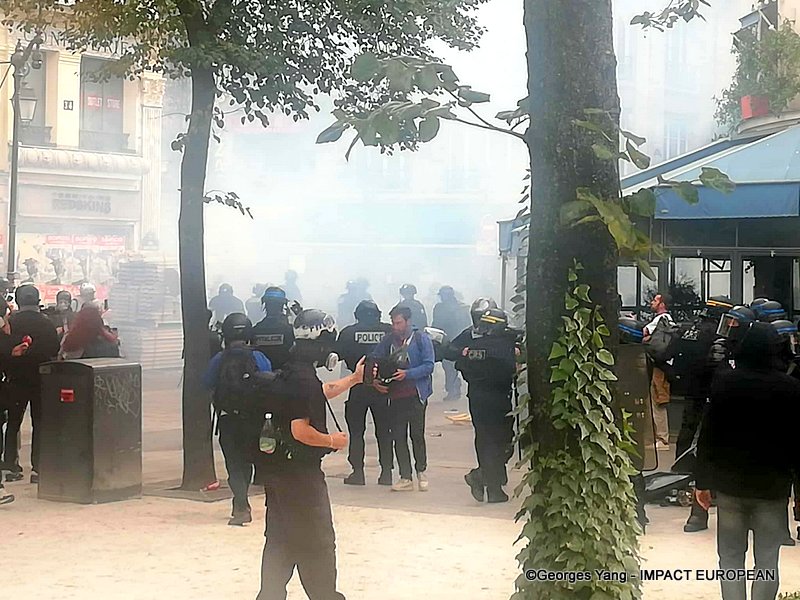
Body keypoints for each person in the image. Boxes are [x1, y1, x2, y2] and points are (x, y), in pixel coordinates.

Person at [250, 308, 363, 600]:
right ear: (323, 343)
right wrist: (332, 441)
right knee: (318, 541)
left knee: (280, 541)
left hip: (278, 475)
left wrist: (353, 379)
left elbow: (317, 393)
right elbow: (300, 430)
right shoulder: (303, 380)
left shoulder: (290, 373)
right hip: (301, 477)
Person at [695, 322, 800, 600]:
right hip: (772, 490)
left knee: (730, 559)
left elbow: (708, 434)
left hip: (730, 488)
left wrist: (702, 482)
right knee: (767, 561)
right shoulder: (791, 389)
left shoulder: (724, 383)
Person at [667, 295, 734, 533]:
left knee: (687, 439)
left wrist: (677, 378)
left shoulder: (688, 331)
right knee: (712, 448)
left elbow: (668, 355)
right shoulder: (719, 337)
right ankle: (710, 495)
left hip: (690, 395)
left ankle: (680, 483)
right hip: (716, 398)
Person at [203, 313, 271, 526]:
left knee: (233, 463)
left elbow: (206, 383)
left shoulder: (219, 359)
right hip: (254, 419)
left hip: (228, 420)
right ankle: (241, 501)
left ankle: (241, 504)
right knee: (248, 461)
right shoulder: (259, 358)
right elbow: (269, 382)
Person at [447, 306, 517, 503]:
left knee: (486, 440)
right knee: (503, 442)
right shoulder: (504, 347)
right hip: (498, 399)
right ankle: (486, 480)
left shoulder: (473, 347)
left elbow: (459, 364)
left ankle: (486, 481)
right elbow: (512, 366)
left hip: (477, 397)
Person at [371, 304, 435, 492]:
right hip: (396, 396)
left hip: (416, 395)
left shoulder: (421, 339)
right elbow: (374, 358)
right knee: (398, 436)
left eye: (398, 322)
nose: (395, 326)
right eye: (393, 322)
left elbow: (429, 366)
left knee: (417, 435)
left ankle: (421, 471)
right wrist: (374, 380)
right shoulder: (388, 340)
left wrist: (407, 374)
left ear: (408, 321)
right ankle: (405, 476)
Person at [4, 285, 60, 483]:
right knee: (40, 423)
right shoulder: (47, 323)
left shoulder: (11, 323)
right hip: (41, 379)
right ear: (37, 301)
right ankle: (38, 468)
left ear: (18, 301)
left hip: (16, 379)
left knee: (13, 423)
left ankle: (11, 466)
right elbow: (55, 348)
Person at [337, 300, 393, 486]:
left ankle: (358, 473)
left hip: (358, 386)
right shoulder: (388, 331)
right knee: (384, 432)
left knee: (356, 432)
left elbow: (337, 354)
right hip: (383, 388)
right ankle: (386, 473)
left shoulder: (348, 333)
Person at [643, 292, 674, 450]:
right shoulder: (669, 321)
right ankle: (658, 438)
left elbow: (645, 333)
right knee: (656, 399)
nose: (652, 303)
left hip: (658, 366)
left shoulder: (661, 319)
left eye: (655, 300)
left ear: (662, 304)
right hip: (662, 365)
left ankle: (662, 439)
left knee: (658, 401)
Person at [432, 286, 471, 402]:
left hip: (447, 342)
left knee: (449, 367)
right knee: (453, 366)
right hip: (460, 341)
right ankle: (455, 388)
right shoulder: (463, 307)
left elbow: (436, 325)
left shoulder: (440, 308)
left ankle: (453, 390)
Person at [252, 287, 295, 370]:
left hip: (260, 377)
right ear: (283, 305)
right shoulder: (289, 330)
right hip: (284, 376)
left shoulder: (256, 329)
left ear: (265, 305)